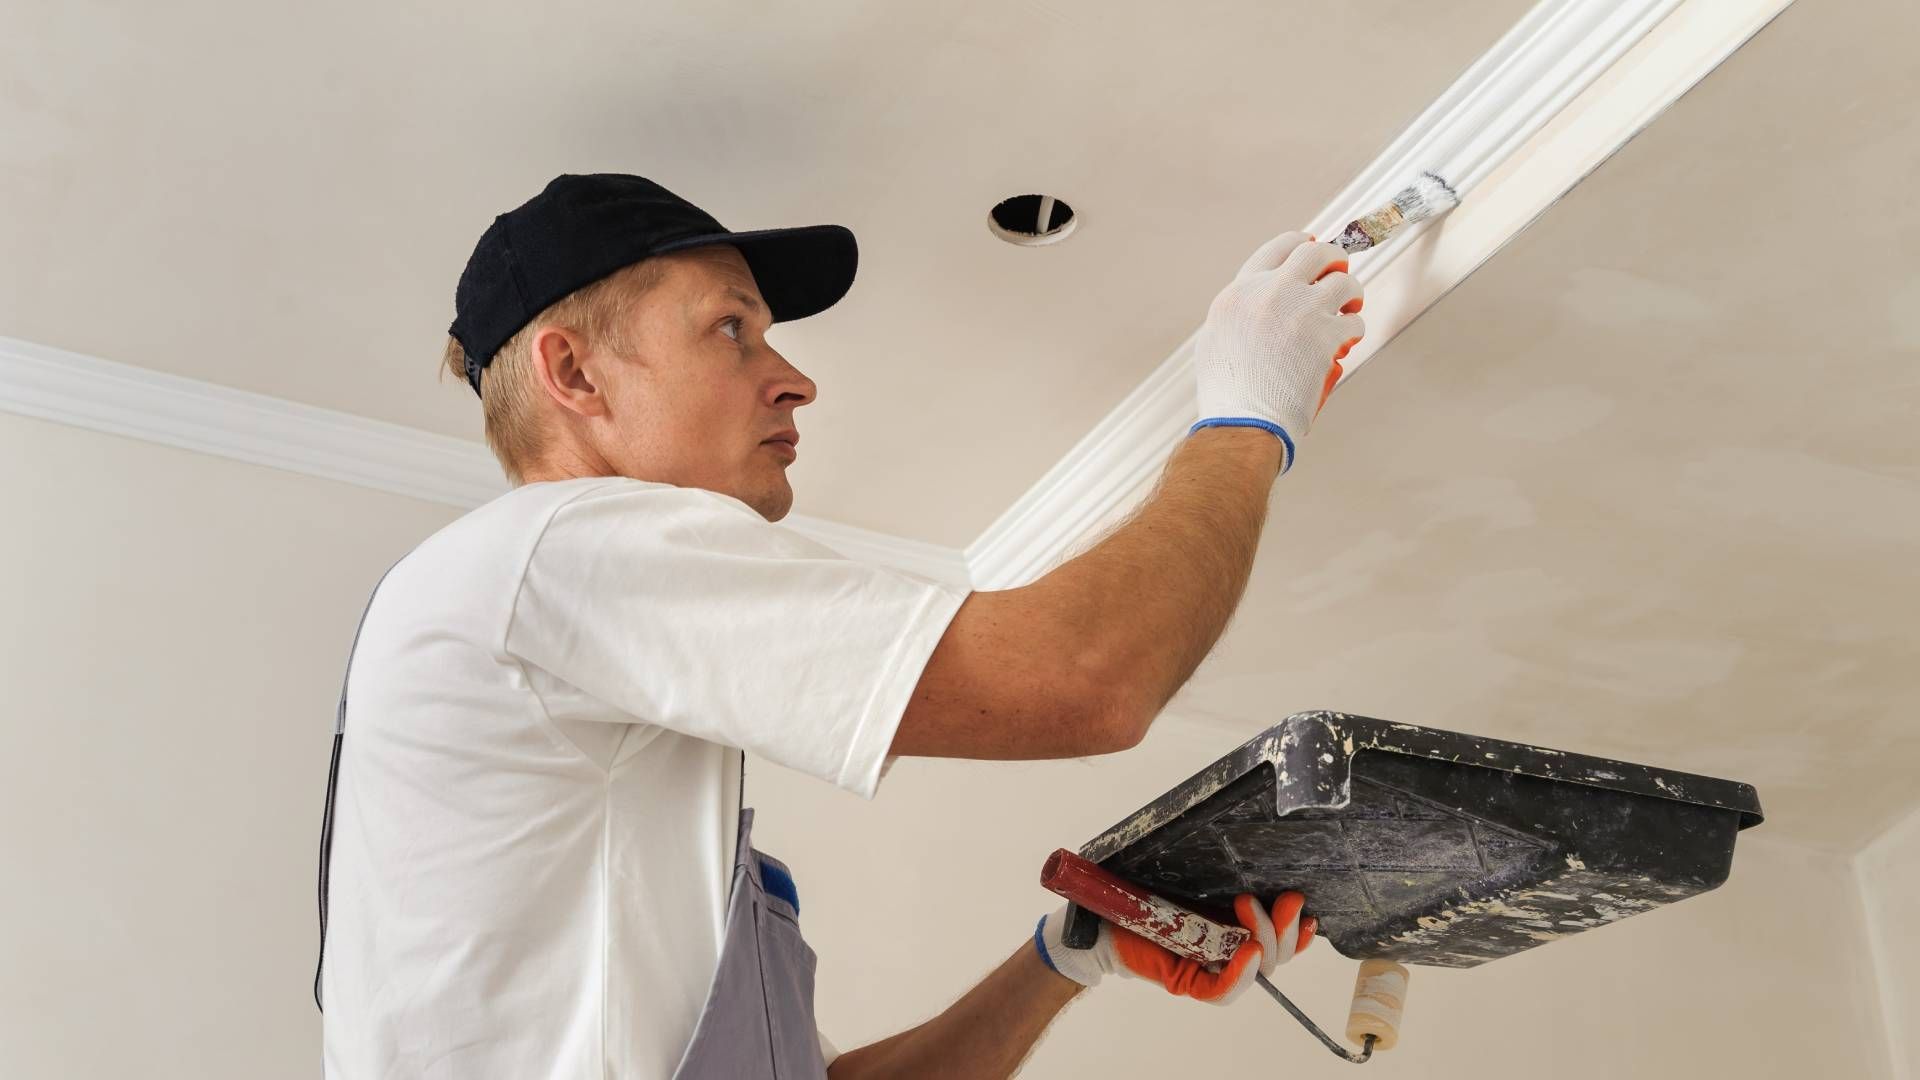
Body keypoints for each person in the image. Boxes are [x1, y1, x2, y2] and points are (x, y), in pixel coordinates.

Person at [317, 173, 1364, 1078]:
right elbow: (1089, 677)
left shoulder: (576, 700)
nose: (795, 379)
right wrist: (1246, 421)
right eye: (731, 329)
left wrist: (1068, 954)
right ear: (575, 374)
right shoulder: (560, 549)